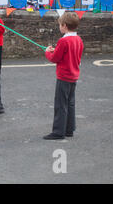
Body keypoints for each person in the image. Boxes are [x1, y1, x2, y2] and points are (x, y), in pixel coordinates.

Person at [43, 12, 84, 140]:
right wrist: (55, 50)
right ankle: (69, 129)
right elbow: (70, 54)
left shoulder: (63, 40)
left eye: (60, 25)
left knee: (61, 104)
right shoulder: (78, 39)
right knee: (70, 103)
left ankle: (58, 132)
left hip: (64, 76)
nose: (59, 27)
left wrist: (47, 52)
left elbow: (55, 58)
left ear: (64, 26)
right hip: (73, 75)